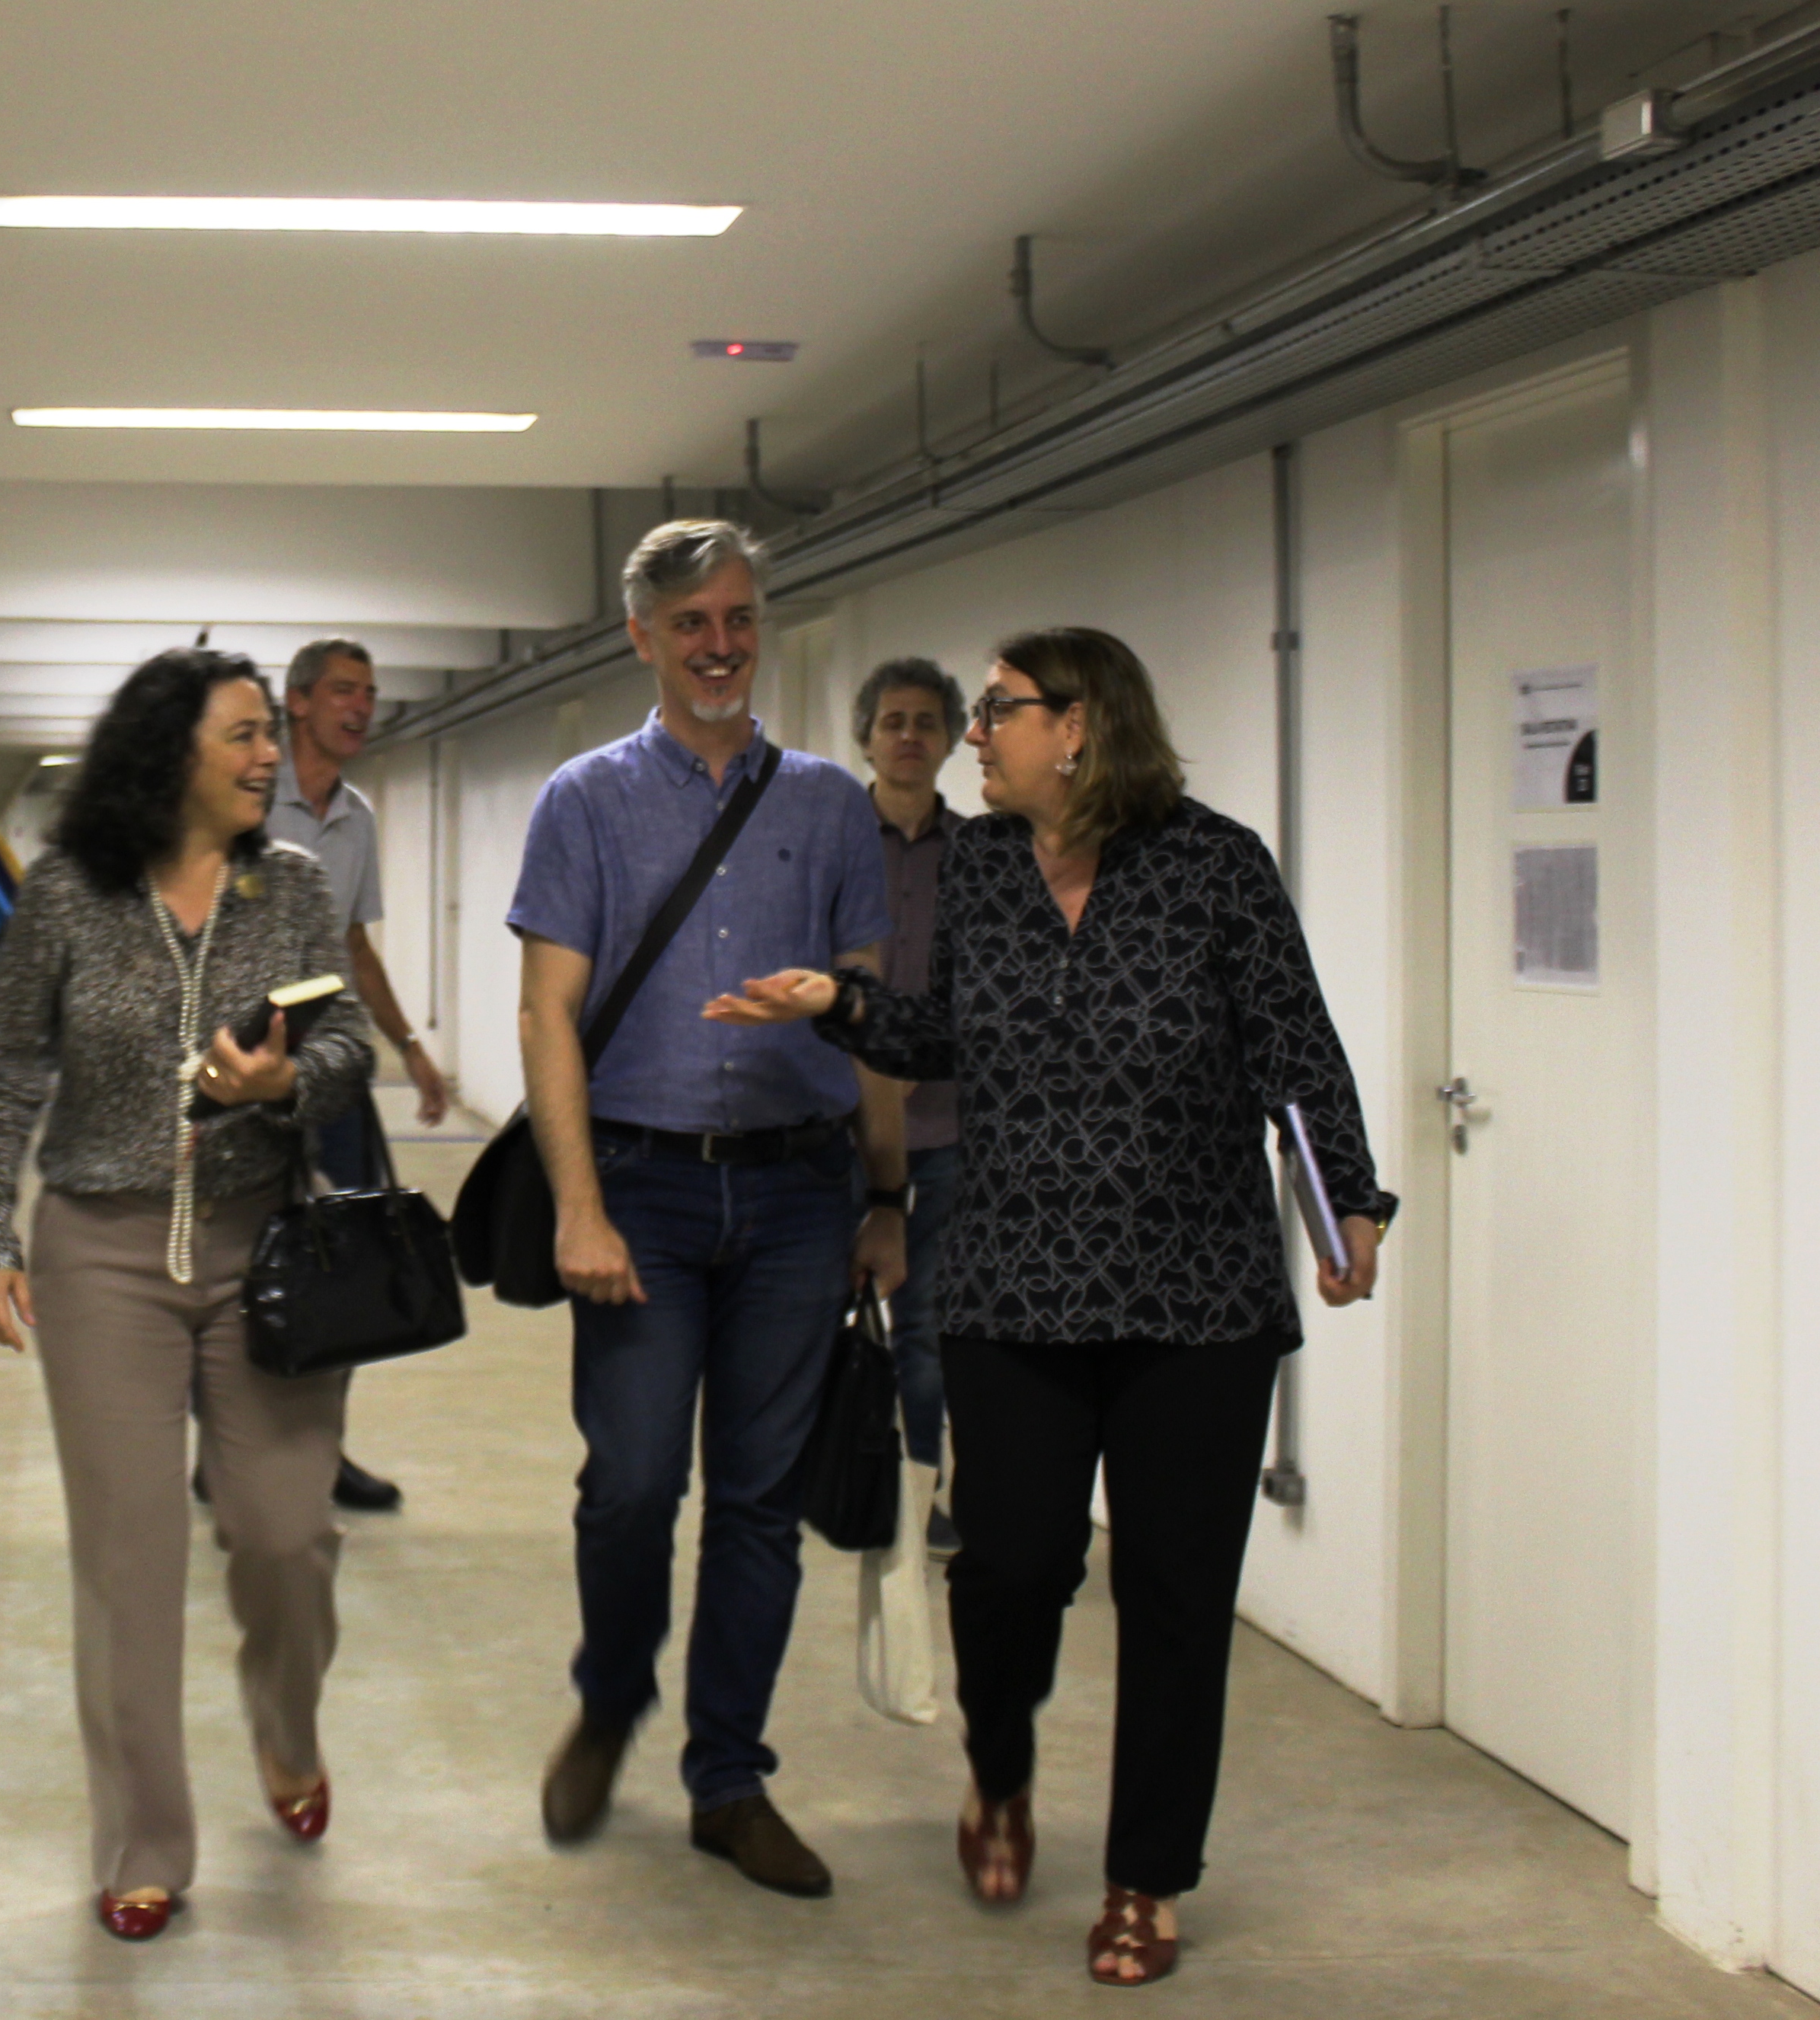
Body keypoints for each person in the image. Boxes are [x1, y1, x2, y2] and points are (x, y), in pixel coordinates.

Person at [703, 625, 1395, 1987]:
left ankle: (1145, 1876)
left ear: (1076, 726)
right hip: (1014, 1284)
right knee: (1012, 1567)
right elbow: (934, 1032)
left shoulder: (1212, 867)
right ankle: (1001, 1770)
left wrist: (1345, 1202)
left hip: (1191, 1297)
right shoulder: (975, 872)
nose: (974, 732)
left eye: (998, 710)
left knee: (1176, 1590)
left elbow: (1294, 1050)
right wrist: (832, 1003)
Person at [0, 648, 380, 1942]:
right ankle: (143, 1838)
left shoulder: (291, 887)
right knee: (127, 1566)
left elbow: (347, 1039)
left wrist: (283, 1088)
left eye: (270, 734)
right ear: (168, 753)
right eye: (245, 736)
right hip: (101, 1256)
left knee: (282, 1536)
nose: (270, 757)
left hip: (266, 1254)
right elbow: (8, 1063)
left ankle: (287, 1726)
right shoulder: (71, 898)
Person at [511, 522, 894, 1899]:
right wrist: (577, 1205)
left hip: (798, 1191)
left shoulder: (829, 807)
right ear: (642, 638)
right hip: (642, 1191)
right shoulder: (584, 801)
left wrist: (887, 1193)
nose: (720, 644)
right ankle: (611, 1696)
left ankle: (725, 1778)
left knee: (755, 1503)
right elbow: (546, 1009)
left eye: (736, 617)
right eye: (690, 624)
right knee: (627, 1487)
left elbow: (871, 1020)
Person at [265, 635, 446, 1514]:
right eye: (343, 691)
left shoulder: (358, 817)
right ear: (297, 701)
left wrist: (409, 1045)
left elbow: (355, 947)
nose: (360, 708)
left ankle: (323, 1452)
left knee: (347, 1257)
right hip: (251, 1072)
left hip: (333, 1072)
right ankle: (227, 1451)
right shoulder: (246, 799)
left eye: (369, 693)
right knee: (244, 1257)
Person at [852, 656, 970, 1555]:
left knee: (926, 1325)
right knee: (823, 1316)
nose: (908, 737)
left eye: (926, 722)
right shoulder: (826, 838)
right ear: (867, 736)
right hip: (837, 1124)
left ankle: (921, 1490)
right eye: (893, 721)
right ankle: (838, 1473)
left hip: (945, 1126)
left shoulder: (980, 855)